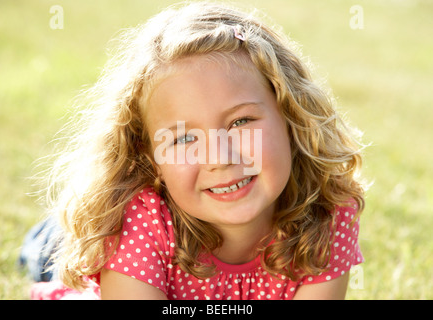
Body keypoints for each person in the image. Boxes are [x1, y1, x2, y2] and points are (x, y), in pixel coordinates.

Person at [32, 1, 366, 300]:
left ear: (291, 116)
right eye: (182, 139)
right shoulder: (137, 218)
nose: (220, 158)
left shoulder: (328, 213)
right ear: (150, 158)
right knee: (51, 247)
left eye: (241, 122)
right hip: (106, 257)